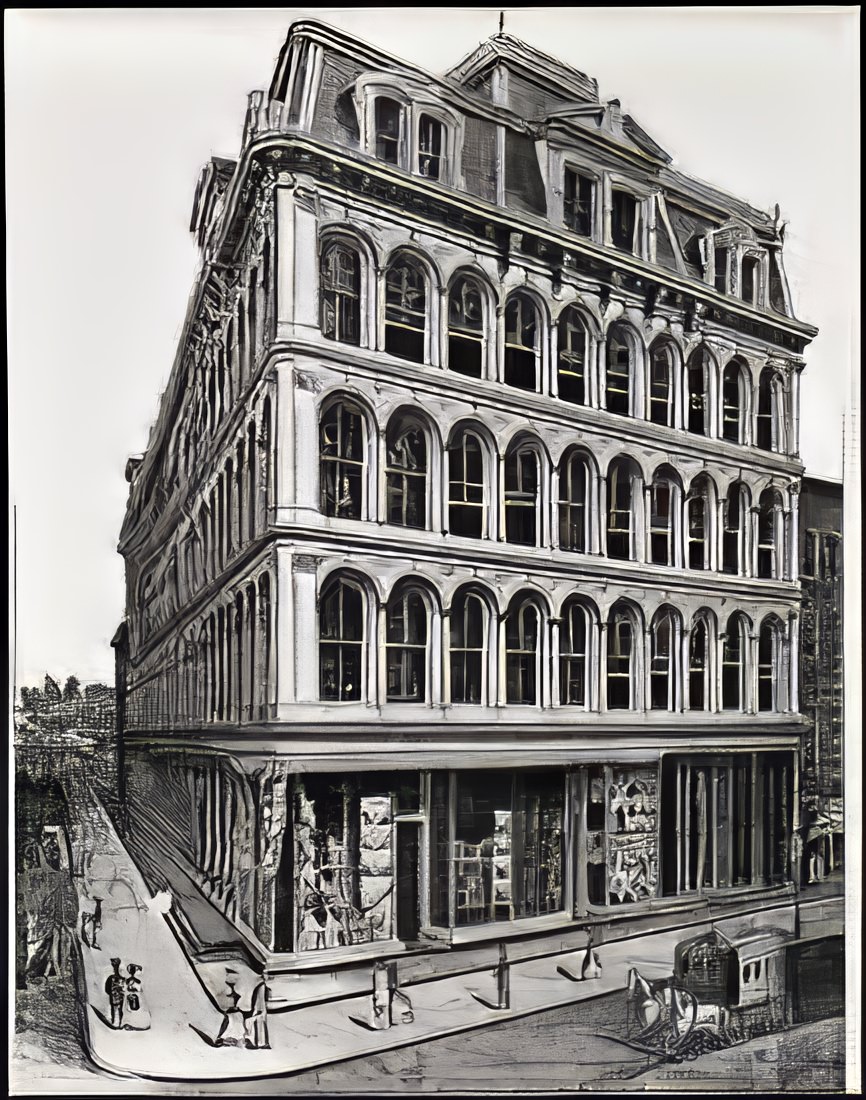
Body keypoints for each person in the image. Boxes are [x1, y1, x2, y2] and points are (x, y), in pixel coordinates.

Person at [245, 970, 270, 1049]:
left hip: (259, 1009)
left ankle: (260, 1042)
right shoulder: (260, 985)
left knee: (259, 1024)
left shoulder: (260, 985)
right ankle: (260, 1042)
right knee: (259, 1024)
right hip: (260, 1009)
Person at [105, 958, 126, 1028]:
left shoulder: (112, 978)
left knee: (117, 1009)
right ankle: (117, 1023)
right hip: (117, 996)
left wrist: (111, 992)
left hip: (116, 996)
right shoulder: (118, 978)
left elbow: (107, 989)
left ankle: (116, 1023)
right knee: (117, 1009)